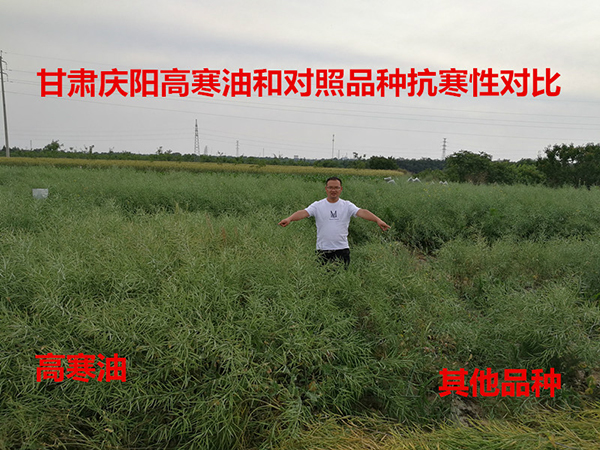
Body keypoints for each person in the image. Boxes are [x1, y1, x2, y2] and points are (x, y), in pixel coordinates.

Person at [278, 177, 390, 267]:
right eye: (330, 187)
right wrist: (289, 218)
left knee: (342, 281)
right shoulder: (318, 205)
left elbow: (362, 212)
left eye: (336, 187)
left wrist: (378, 220)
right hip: (322, 250)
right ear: (326, 189)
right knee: (322, 281)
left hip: (342, 250)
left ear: (341, 189)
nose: (333, 190)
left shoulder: (347, 205)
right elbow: (303, 213)